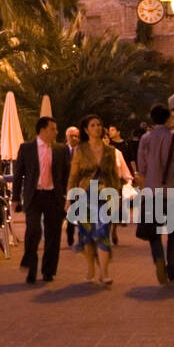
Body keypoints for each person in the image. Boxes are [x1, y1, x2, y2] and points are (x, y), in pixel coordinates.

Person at [12, 117, 71, 284]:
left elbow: (67, 174)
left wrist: (69, 195)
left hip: (54, 195)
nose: (56, 132)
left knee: (53, 234)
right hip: (34, 195)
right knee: (33, 231)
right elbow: (18, 174)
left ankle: (48, 271)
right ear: (43, 130)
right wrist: (15, 197)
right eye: (53, 129)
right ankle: (31, 267)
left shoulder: (61, 149)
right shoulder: (26, 148)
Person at [67, 114, 121, 286]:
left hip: (105, 196)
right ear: (86, 129)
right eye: (93, 125)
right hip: (85, 196)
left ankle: (104, 273)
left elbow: (114, 175)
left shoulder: (110, 151)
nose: (97, 128)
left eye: (99, 124)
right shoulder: (80, 150)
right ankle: (91, 268)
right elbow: (73, 175)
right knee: (87, 235)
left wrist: (117, 196)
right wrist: (70, 197)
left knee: (103, 233)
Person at [135, 104, 174, 284]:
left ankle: (159, 258)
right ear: (168, 117)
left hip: (152, 191)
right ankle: (172, 268)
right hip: (173, 191)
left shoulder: (146, 139)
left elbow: (142, 167)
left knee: (153, 231)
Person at [63, 126, 81, 247]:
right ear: (67, 137)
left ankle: (82, 237)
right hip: (66, 188)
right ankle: (70, 237)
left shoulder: (83, 151)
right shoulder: (61, 150)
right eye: (71, 136)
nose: (74, 138)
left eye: (76, 136)